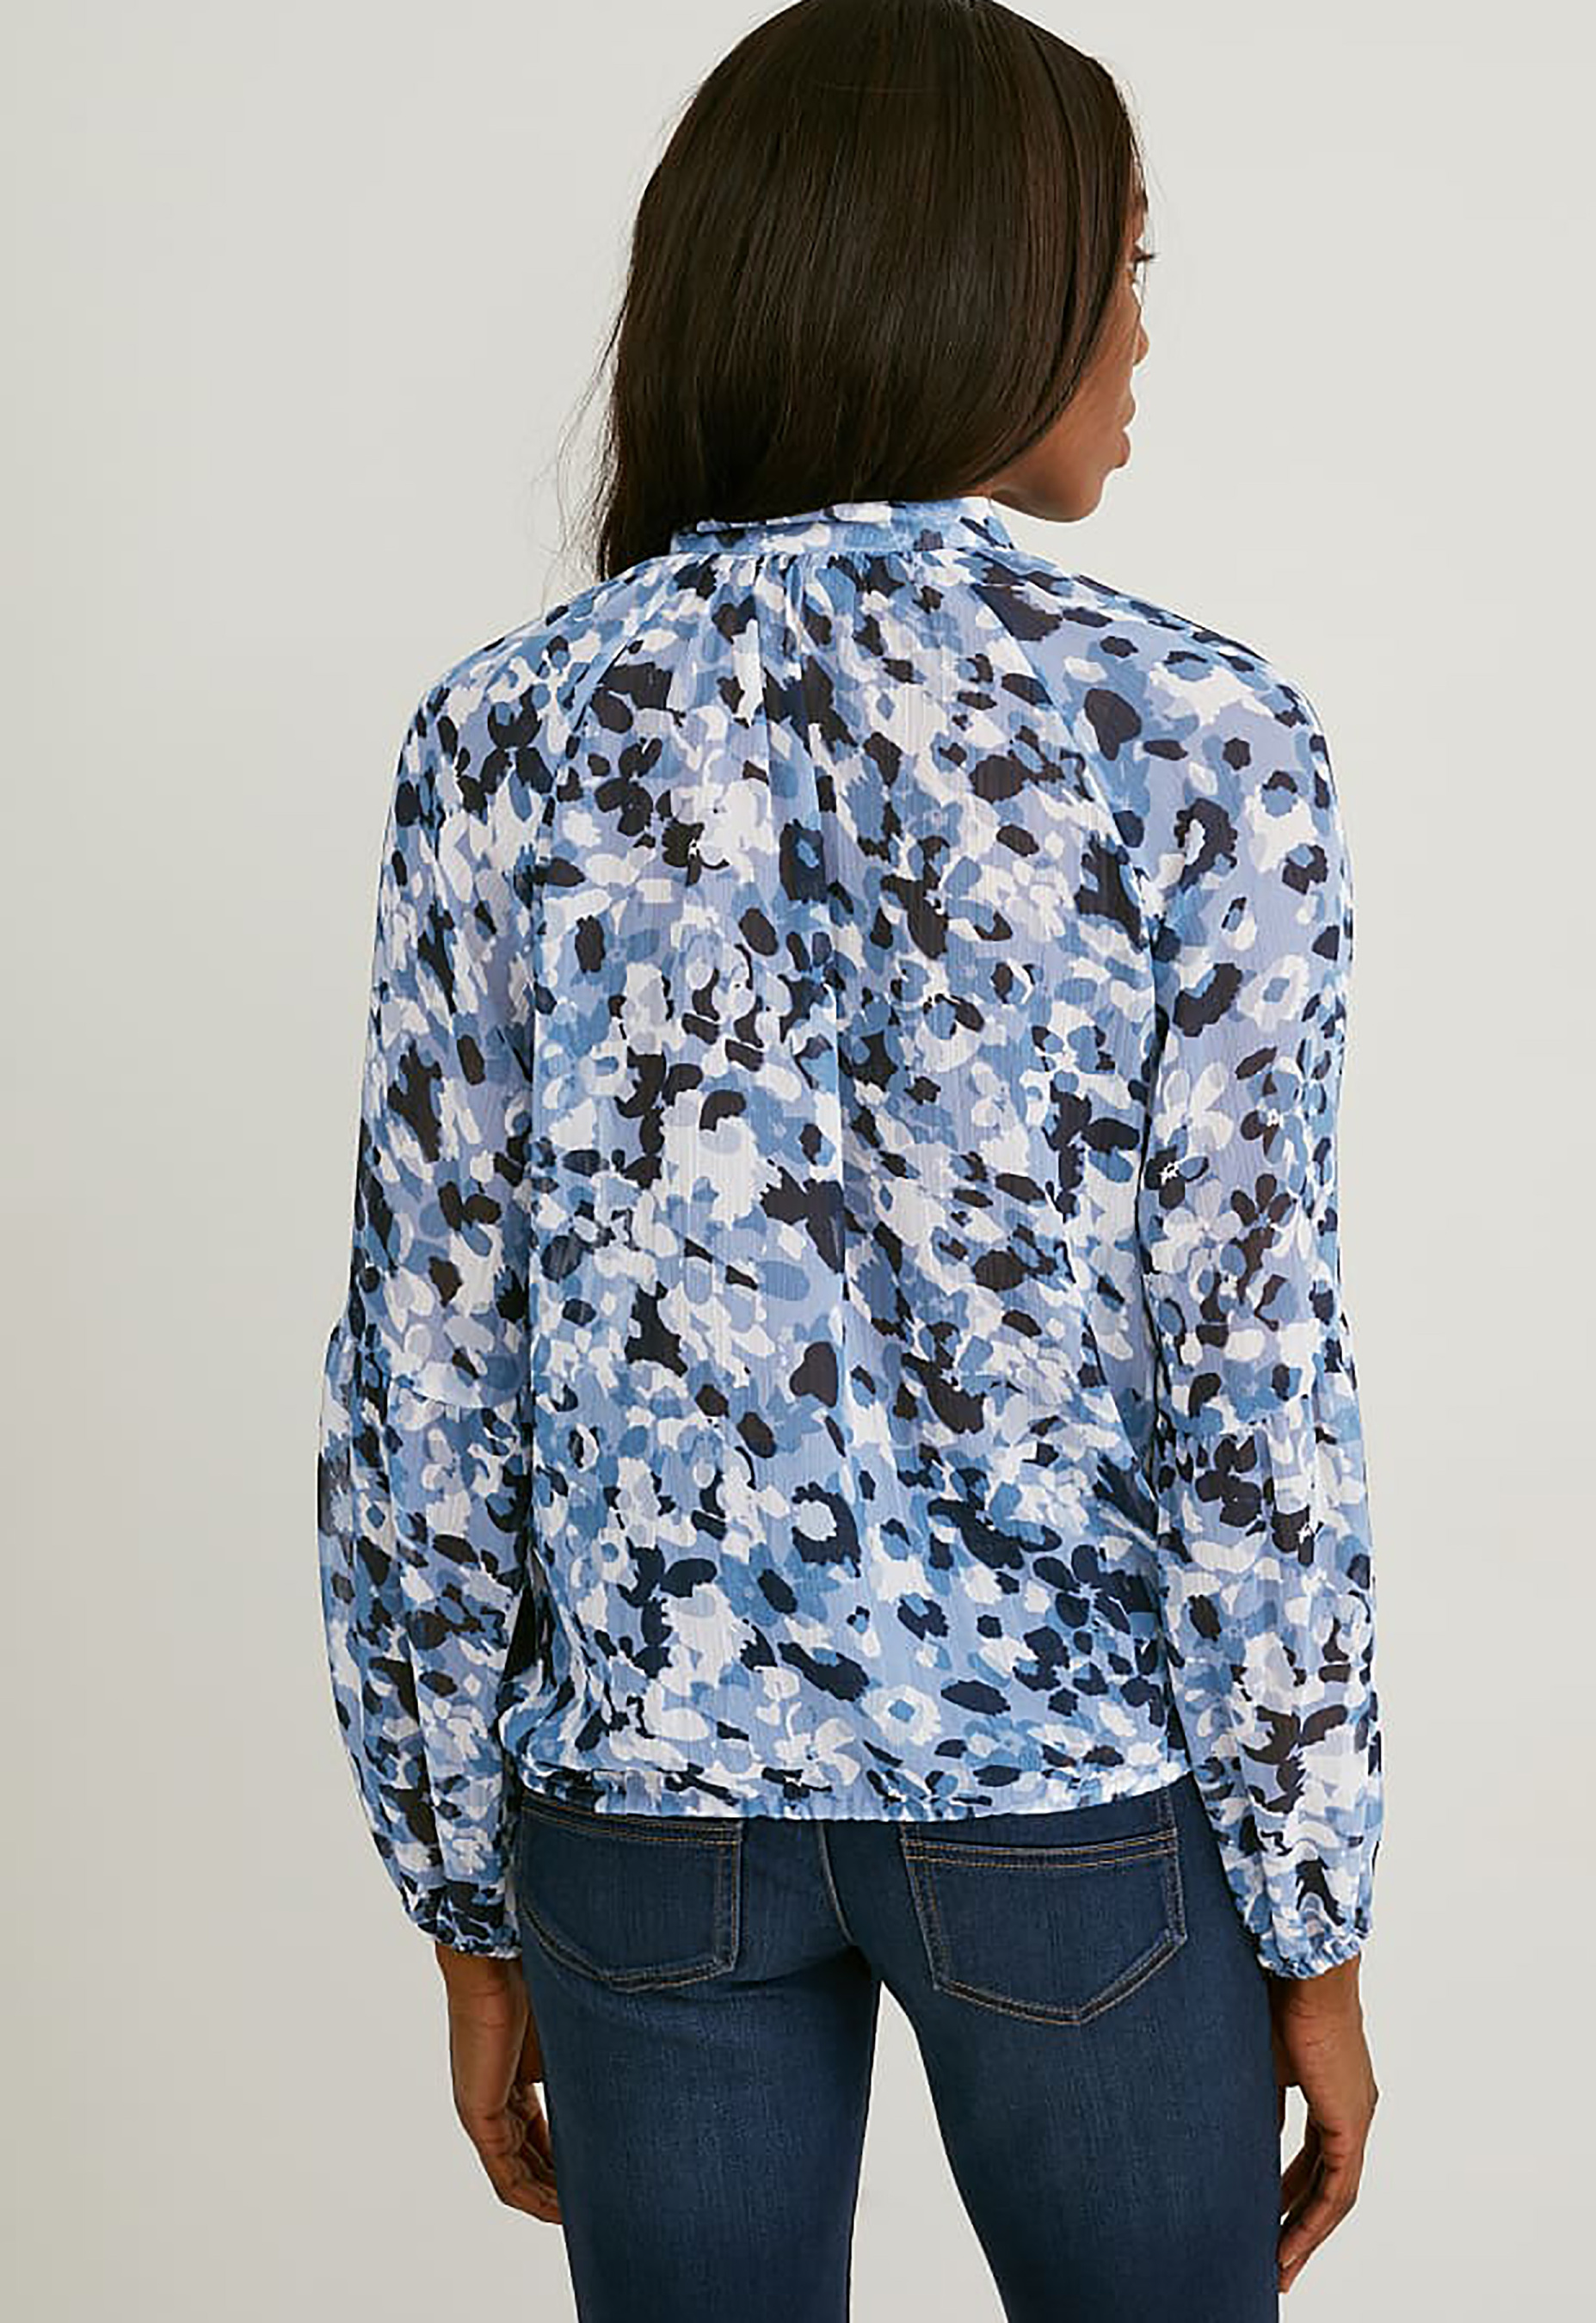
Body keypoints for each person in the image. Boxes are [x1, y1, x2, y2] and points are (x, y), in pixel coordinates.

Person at [313, 2, 1383, 2315]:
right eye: (1121, 263)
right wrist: (1312, 1916)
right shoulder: (1197, 734)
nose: (1137, 331)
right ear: (971, 282)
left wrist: (463, 1900)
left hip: (636, 1820)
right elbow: (1250, 1379)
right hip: (1075, 1817)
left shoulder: (506, 732)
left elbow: (423, 1366)